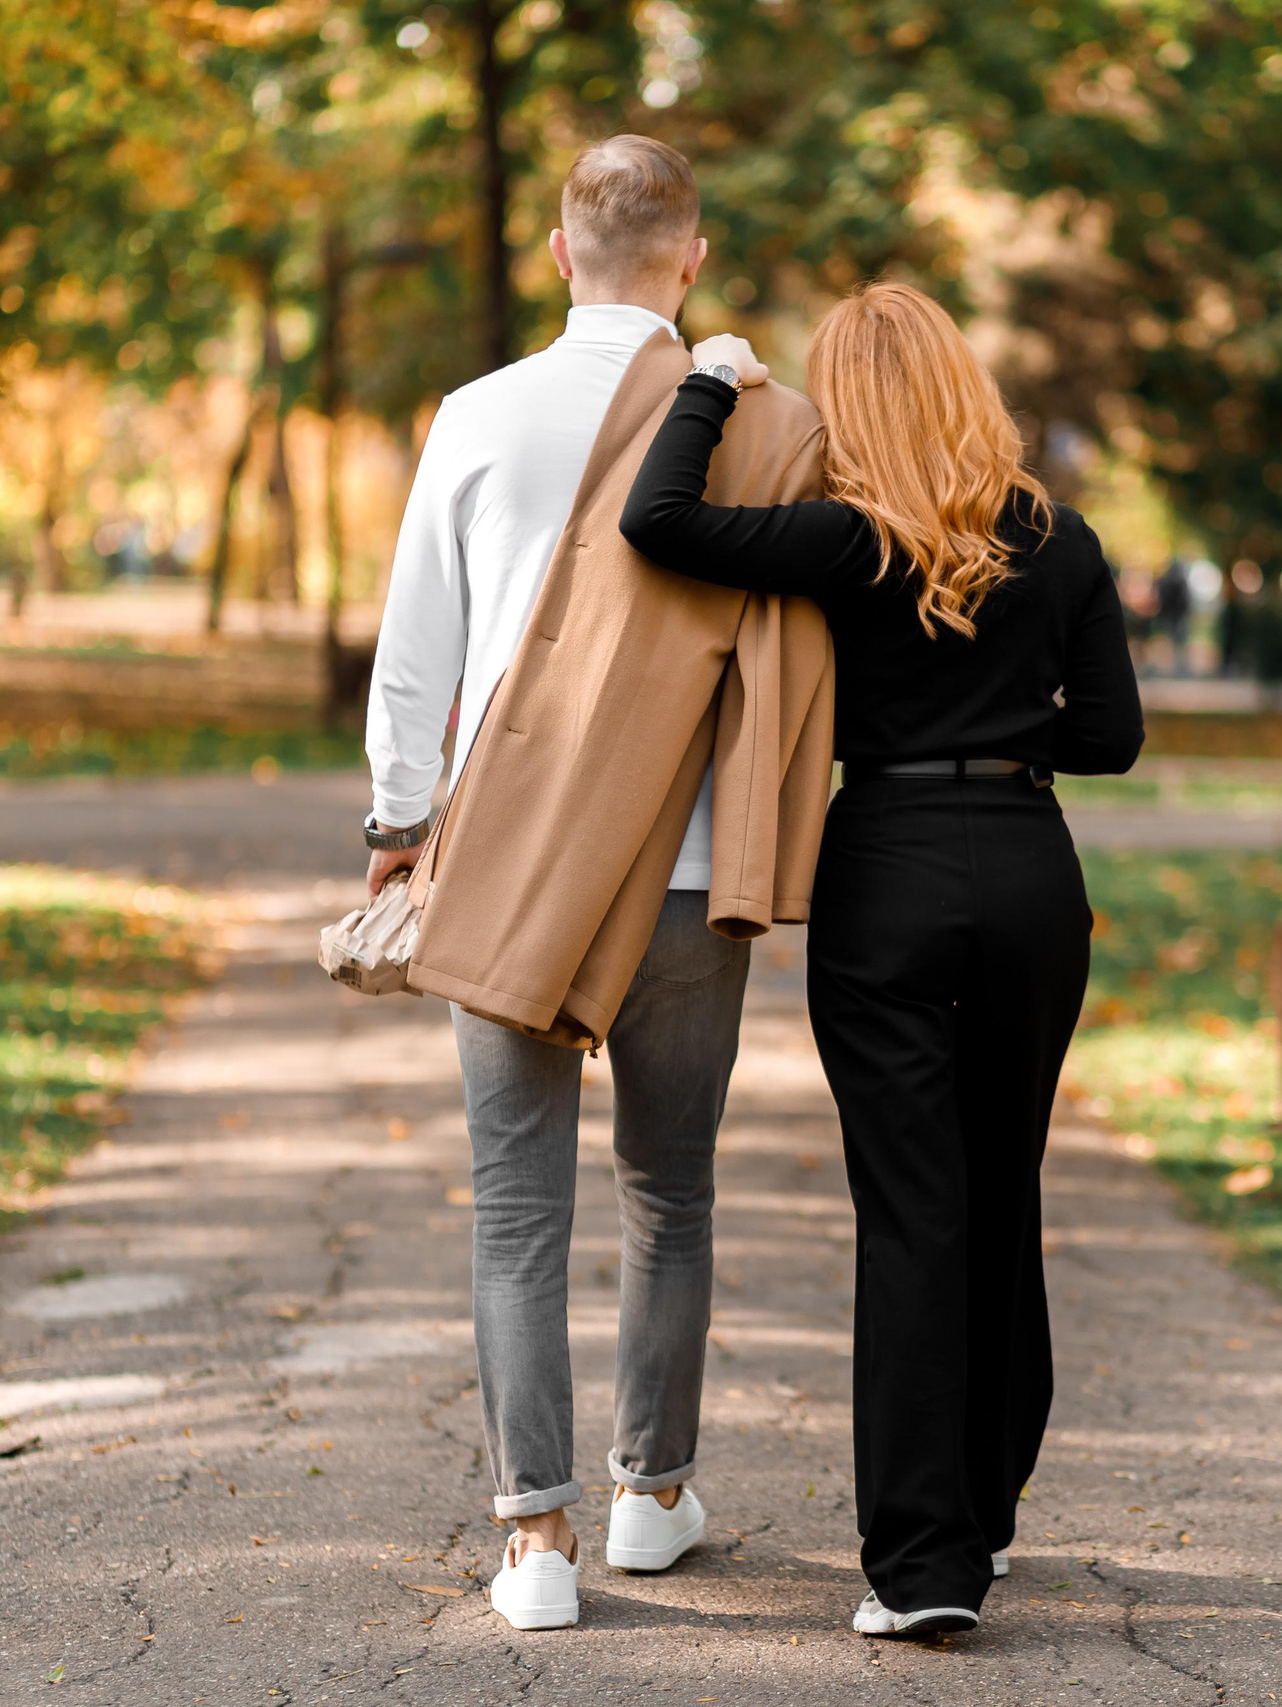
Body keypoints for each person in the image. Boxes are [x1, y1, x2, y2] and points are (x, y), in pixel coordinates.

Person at [618, 281, 1145, 1638]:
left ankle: (922, 1569)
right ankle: (987, 1512)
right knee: (1000, 1187)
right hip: (1030, 866)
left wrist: (709, 381)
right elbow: (1112, 739)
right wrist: (1010, 716)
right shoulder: (1062, 539)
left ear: (847, 404)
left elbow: (657, 519)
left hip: (890, 866)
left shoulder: (846, 543)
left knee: (914, 1207)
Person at [359, 136, 822, 1634]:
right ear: (691, 258)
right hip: (690, 870)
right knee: (669, 1189)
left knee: (516, 1212)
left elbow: (416, 649)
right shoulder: (762, 426)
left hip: (505, 859)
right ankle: (652, 1494)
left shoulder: (478, 416)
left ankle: (533, 1543)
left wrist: (397, 823)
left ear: (561, 255)